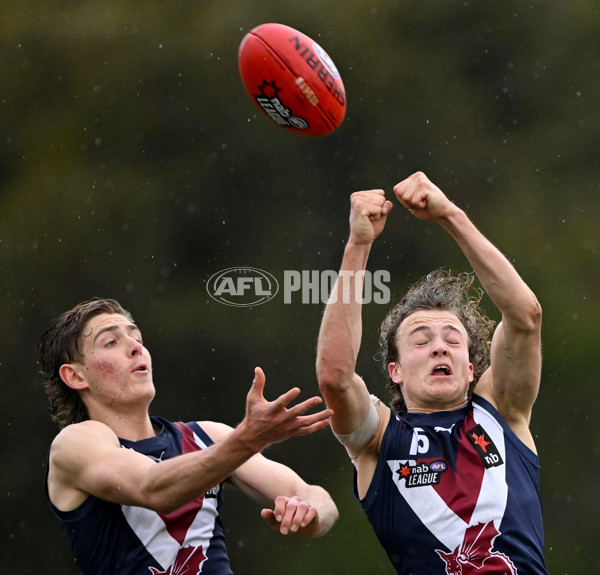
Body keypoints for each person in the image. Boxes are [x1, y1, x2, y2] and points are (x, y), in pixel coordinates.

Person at [316, 172, 548, 574]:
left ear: (472, 367)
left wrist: (450, 215)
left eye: (452, 339)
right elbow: (335, 376)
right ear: (396, 370)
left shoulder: (502, 412)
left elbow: (525, 318)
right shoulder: (377, 440)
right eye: (421, 341)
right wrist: (359, 244)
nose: (439, 346)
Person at [39, 298, 338, 575]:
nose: (135, 347)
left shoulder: (207, 435)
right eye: (110, 342)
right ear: (76, 376)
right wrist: (246, 439)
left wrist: (307, 515)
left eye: (137, 338)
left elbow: (317, 498)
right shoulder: (75, 444)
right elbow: (154, 489)